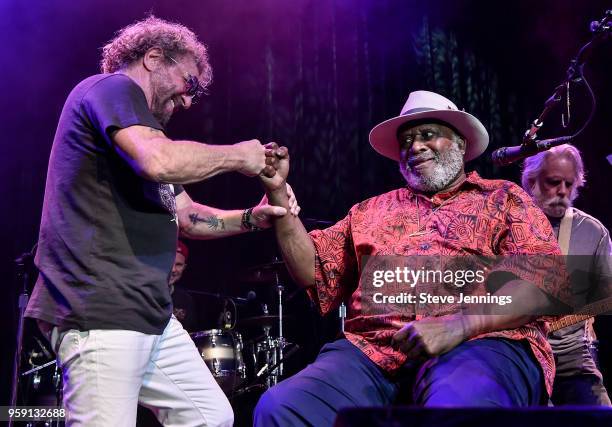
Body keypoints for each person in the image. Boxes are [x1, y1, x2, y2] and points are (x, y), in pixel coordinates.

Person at [24, 16, 298, 427]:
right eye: (190, 82)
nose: (189, 101)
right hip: (101, 308)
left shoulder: (139, 133)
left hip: (149, 316)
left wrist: (252, 217)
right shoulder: (112, 90)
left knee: (210, 417)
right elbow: (159, 161)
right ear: (154, 58)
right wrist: (242, 155)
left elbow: (186, 216)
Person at [255, 90, 570, 426]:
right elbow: (314, 271)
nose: (415, 146)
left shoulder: (504, 199)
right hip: (372, 353)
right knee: (281, 407)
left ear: (461, 144)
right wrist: (277, 192)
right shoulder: (368, 211)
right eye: (406, 140)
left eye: (427, 135)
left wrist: (457, 325)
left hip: (481, 343)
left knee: (457, 408)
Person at [522, 144, 612, 406]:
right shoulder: (507, 223)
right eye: (553, 182)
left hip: (571, 357)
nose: (562, 191)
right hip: (520, 352)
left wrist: (566, 316)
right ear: (531, 181)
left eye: (569, 184)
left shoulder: (593, 231)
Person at [169, 240, 196, 331]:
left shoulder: (185, 299)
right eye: (170, 263)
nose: (173, 270)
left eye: (178, 265)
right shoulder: (145, 291)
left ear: (184, 267)